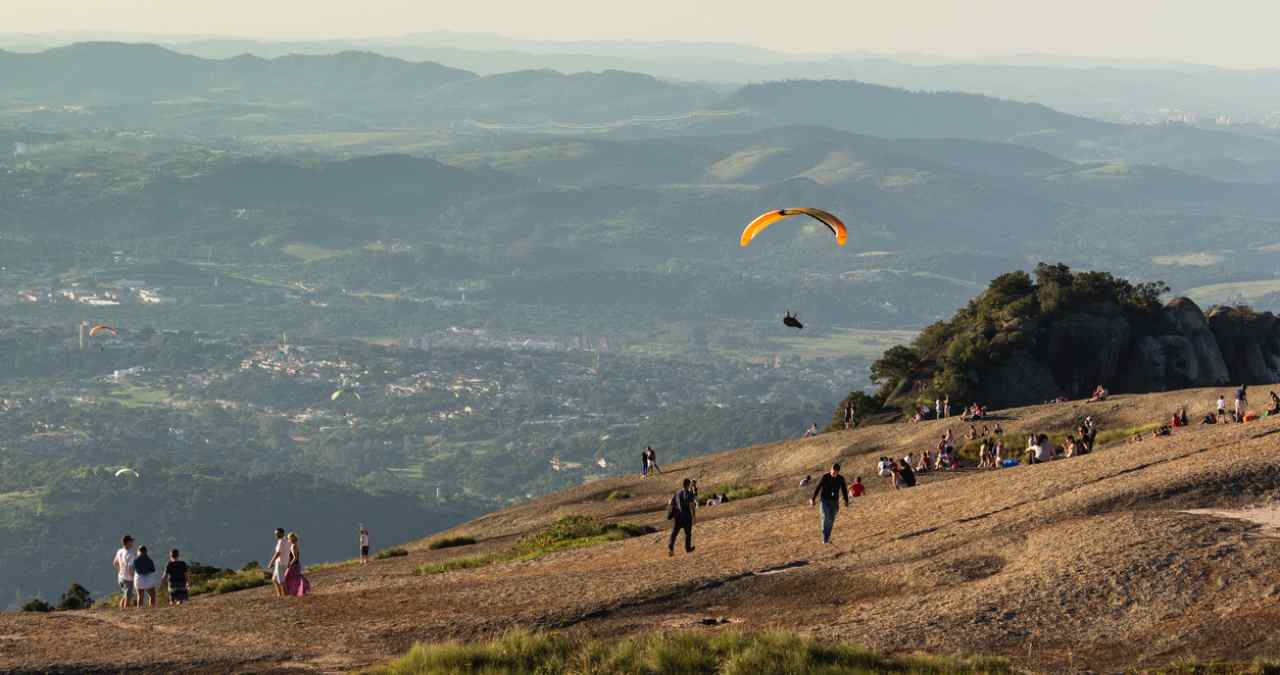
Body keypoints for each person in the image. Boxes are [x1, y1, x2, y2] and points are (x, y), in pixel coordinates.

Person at [809, 463, 850, 544]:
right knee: (826, 517)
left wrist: (846, 500)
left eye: (835, 472)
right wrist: (813, 499)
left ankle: (827, 536)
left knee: (831, 519)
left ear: (838, 472)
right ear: (831, 469)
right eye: (832, 471)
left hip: (835, 502)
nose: (833, 473)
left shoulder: (841, 478)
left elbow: (844, 489)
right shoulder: (825, 476)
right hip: (825, 500)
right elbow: (818, 487)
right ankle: (825, 538)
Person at [666, 478, 697, 556]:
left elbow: (670, 503)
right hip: (686, 516)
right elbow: (692, 505)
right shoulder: (689, 493)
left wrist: (670, 513)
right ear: (688, 484)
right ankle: (688, 548)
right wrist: (694, 515)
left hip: (678, 517)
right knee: (688, 534)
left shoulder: (677, 493)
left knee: (674, 534)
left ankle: (670, 549)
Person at [282, 532, 310, 597]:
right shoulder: (292, 545)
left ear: (291, 538)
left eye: (288, 538)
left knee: (287, 578)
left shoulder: (294, 546)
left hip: (295, 565)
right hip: (294, 565)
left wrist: (290, 564)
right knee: (292, 578)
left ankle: (302, 588)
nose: (288, 539)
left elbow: (295, 557)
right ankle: (294, 592)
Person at [113, 535, 137, 608]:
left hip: (120, 577)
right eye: (131, 541)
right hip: (128, 579)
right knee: (128, 598)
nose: (132, 543)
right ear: (128, 542)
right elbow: (130, 568)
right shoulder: (131, 554)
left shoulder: (119, 551)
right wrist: (133, 577)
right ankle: (125, 613)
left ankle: (121, 610)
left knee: (125, 595)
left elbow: (115, 563)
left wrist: (120, 571)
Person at [267, 528, 289, 598]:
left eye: (277, 533)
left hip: (280, 563)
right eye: (276, 533)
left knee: (281, 581)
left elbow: (278, 553)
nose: (276, 535)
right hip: (283, 562)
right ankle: (279, 595)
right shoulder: (286, 540)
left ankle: (286, 596)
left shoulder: (281, 541)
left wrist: (271, 562)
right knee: (274, 579)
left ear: (282, 533)